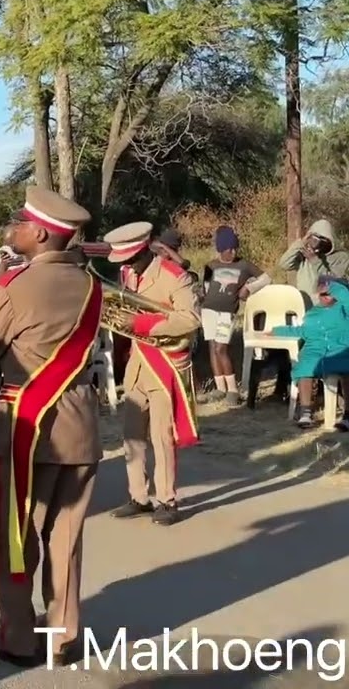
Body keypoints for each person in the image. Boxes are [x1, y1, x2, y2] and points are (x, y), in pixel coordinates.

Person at [0, 186, 102, 668]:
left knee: (14, 536)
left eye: (21, 221)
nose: (14, 226)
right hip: (81, 423)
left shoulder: (16, 286)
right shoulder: (92, 284)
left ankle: (17, 638)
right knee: (66, 538)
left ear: (40, 233)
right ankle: (64, 638)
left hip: (28, 423)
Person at [105, 221, 201, 527]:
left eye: (131, 259)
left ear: (144, 250)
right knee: (132, 435)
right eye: (123, 262)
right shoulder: (127, 274)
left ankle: (167, 500)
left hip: (165, 363)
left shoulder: (175, 276)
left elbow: (190, 319)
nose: (127, 266)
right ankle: (139, 496)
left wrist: (143, 325)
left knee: (161, 436)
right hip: (137, 364)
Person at [268, 276, 349, 430]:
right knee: (306, 365)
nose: (325, 297)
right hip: (317, 349)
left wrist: (334, 287)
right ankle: (306, 412)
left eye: (329, 293)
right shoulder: (313, 313)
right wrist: (276, 330)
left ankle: (348, 416)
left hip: (344, 347)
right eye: (322, 294)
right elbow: (304, 331)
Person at [199, 226, 270, 405]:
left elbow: (266, 278)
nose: (233, 252)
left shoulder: (244, 265)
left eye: (235, 248)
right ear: (221, 250)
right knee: (212, 347)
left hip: (227, 312)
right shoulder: (211, 265)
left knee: (221, 348)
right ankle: (220, 387)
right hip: (208, 310)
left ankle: (232, 389)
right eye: (229, 249)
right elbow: (205, 286)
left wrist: (248, 288)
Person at [279, 219, 349, 299]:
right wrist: (301, 243)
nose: (318, 244)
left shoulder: (340, 257)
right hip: (305, 301)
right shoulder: (304, 254)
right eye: (314, 240)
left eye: (323, 242)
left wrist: (315, 261)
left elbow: (334, 281)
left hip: (326, 305)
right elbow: (284, 264)